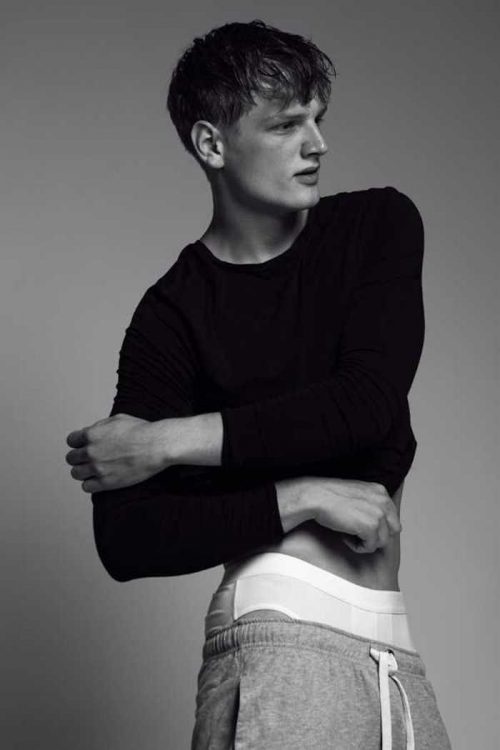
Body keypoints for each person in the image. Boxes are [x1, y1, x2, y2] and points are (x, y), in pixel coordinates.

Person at [65, 20, 452, 749]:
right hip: (280, 639)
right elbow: (128, 539)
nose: (317, 144)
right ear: (212, 144)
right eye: (285, 125)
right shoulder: (172, 314)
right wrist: (299, 497)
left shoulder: (374, 226)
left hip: (392, 649)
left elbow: (367, 404)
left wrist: (167, 442)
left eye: (317, 118)